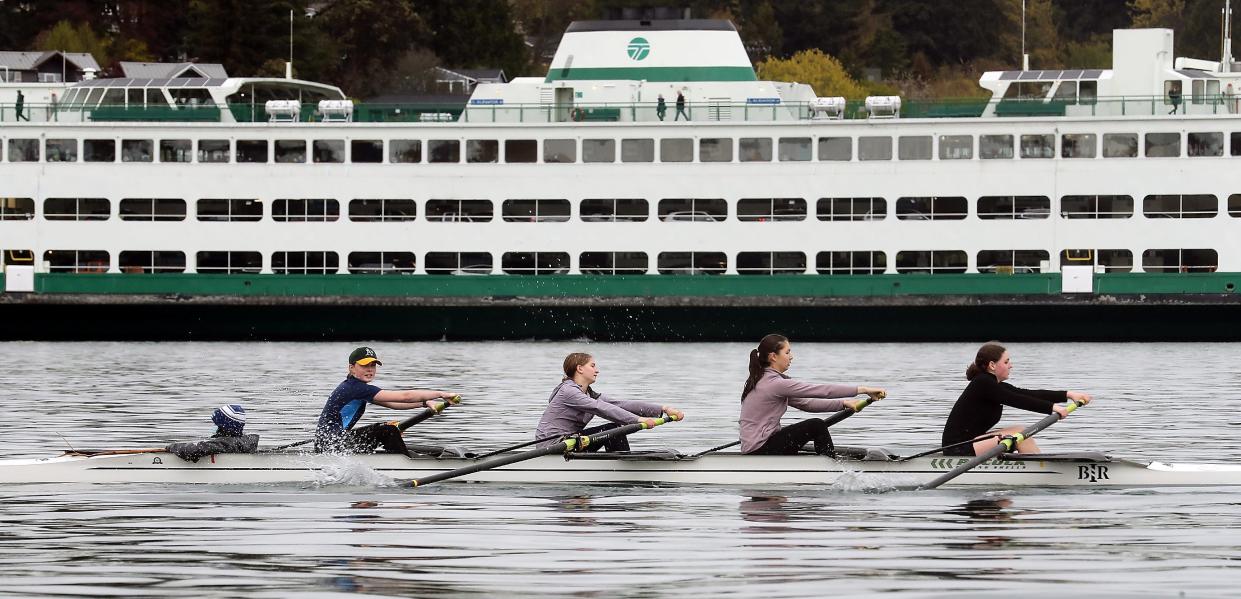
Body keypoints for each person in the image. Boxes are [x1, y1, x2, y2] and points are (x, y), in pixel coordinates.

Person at [739, 334, 885, 455]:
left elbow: (807, 404)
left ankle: (825, 460)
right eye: (787, 352)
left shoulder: (762, 379)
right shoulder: (775, 384)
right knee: (816, 425)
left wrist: (844, 404)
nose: (791, 357)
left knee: (814, 426)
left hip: (757, 446)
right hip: (760, 449)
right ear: (773, 357)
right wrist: (863, 389)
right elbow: (821, 390)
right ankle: (829, 467)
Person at [941, 341, 1092, 456]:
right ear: (992, 365)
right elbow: (1016, 400)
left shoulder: (994, 385)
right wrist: (1053, 407)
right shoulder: (983, 383)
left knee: (1021, 431)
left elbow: (1028, 394)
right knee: (1017, 435)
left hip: (973, 442)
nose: (1011, 366)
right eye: (1006, 362)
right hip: (956, 448)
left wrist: (1068, 394)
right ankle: (1039, 469)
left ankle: (1037, 463)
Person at [315, 347, 457, 455]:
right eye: (365, 366)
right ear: (351, 368)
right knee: (388, 431)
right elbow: (405, 397)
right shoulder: (355, 388)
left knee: (387, 430)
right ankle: (405, 464)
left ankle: (401, 459)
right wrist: (440, 394)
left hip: (330, 443)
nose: (370, 370)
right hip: (331, 445)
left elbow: (393, 404)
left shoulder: (354, 387)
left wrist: (425, 403)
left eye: (373, 366)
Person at [535, 352, 685, 452]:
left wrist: (664, 408)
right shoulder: (568, 391)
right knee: (612, 429)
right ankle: (623, 468)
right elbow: (600, 408)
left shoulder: (589, 394)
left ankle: (620, 463)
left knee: (613, 429)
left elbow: (620, 404)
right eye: (592, 366)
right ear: (579, 368)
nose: (597, 370)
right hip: (552, 446)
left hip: (573, 441)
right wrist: (638, 420)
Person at [165, 404, 260, 462]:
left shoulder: (225, 443)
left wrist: (172, 447)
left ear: (223, 427)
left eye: (216, 424)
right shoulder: (243, 441)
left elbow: (192, 452)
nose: (213, 427)